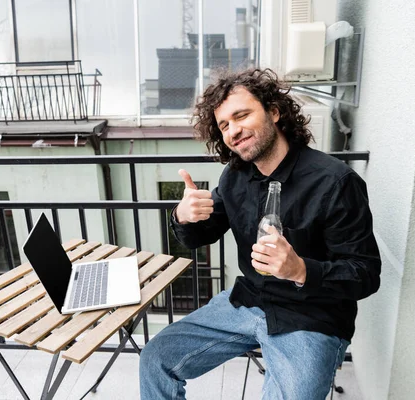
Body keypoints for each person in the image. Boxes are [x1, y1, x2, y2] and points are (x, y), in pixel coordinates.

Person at [139, 68, 381, 399]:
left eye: (242, 115)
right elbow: (198, 237)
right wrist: (183, 216)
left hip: (310, 317)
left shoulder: (334, 182)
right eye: (224, 125)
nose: (233, 130)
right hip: (249, 300)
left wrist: (300, 269)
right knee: (156, 359)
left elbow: (365, 274)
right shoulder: (234, 176)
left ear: (274, 112)